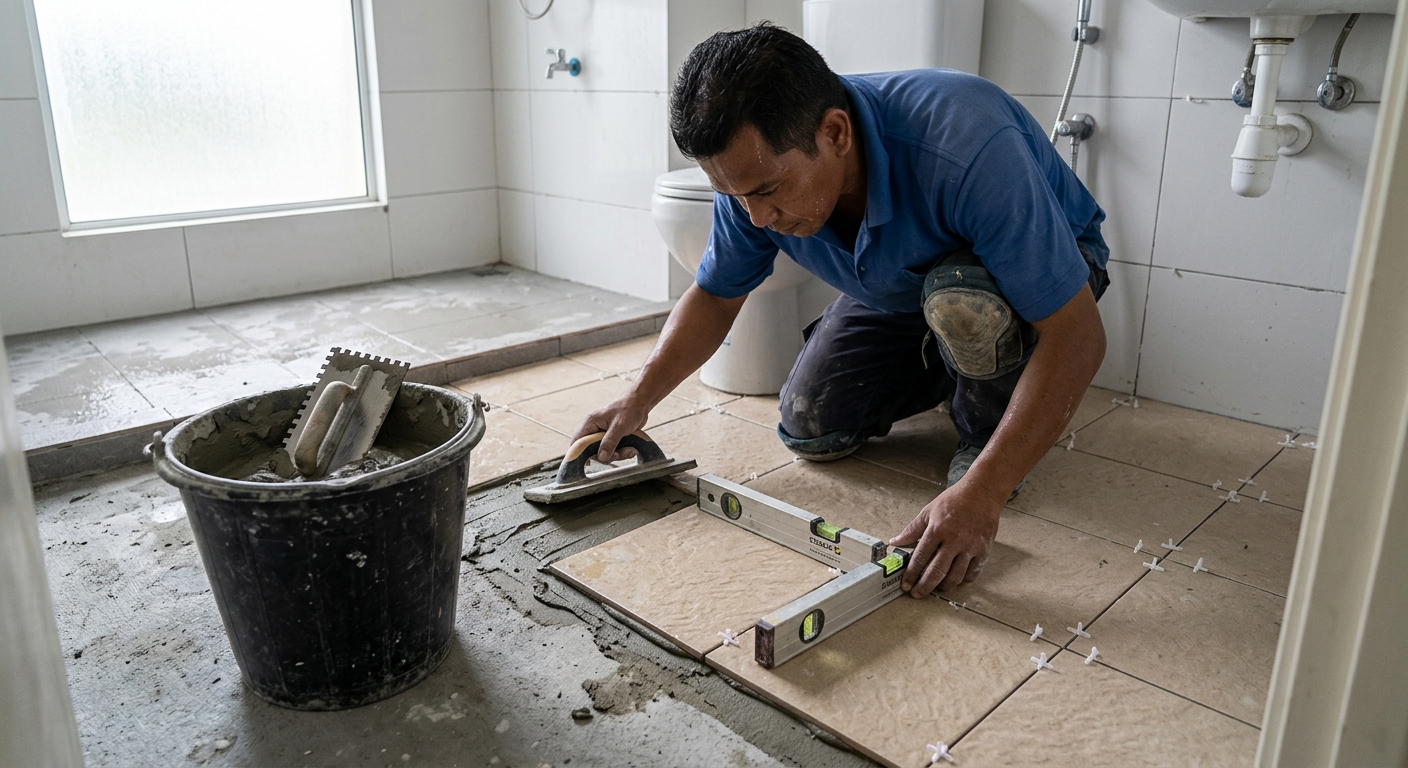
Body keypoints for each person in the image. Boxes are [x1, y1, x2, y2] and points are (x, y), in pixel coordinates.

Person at [571, 23, 1109, 598]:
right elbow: (715, 296)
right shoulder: (749, 180)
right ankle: (949, 362)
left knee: (960, 298)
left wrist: (983, 494)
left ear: (835, 133)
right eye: (736, 197)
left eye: (768, 192)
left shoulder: (966, 143)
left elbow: (1078, 336)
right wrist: (637, 400)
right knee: (809, 424)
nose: (756, 218)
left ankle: (983, 425)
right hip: (900, 284)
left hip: (1040, 269)